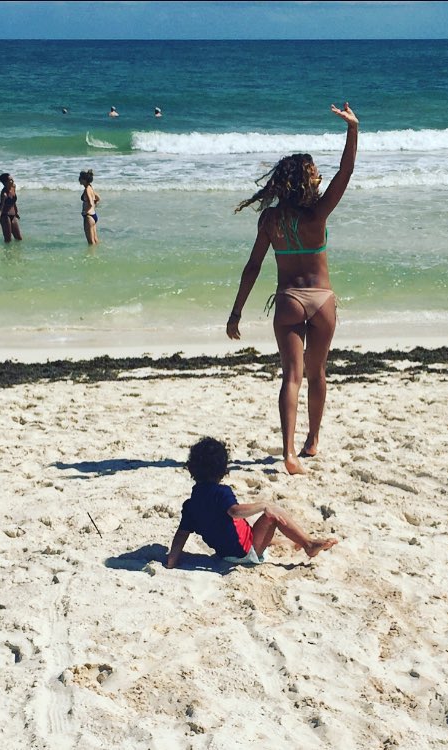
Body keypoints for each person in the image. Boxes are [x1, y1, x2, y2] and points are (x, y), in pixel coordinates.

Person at [226, 103, 358, 475]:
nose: (319, 177)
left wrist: (236, 311)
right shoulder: (318, 214)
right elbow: (346, 171)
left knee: (291, 377)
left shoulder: (270, 219)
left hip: (287, 301)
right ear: (305, 181)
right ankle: (312, 440)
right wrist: (353, 129)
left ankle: (288, 452)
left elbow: (253, 266)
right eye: (314, 173)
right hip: (321, 301)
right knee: (317, 373)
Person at [165, 437, 337, 568]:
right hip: (245, 553)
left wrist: (171, 561)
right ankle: (308, 544)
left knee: (249, 524)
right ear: (223, 470)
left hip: (225, 555)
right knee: (272, 514)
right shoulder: (221, 492)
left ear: (192, 468)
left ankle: (291, 543)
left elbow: (181, 535)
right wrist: (263, 505)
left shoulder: (190, 505)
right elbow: (234, 511)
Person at [0, 173, 22, 242]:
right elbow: (0, 210)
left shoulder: (13, 187)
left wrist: (16, 212)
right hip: (5, 216)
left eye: (12, 179)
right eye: (10, 180)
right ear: (5, 183)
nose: (13, 181)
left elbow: (13, 201)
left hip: (13, 215)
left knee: (19, 238)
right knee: (8, 240)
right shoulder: (4, 194)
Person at [79, 169, 100, 245]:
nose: (79, 179)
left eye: (80, 178)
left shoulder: (87, 189)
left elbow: (91, 203)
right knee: (95, 240)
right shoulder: (90, 187)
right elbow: (98, 198)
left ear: (84, 180)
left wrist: (85, 212)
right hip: (93, 215)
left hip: (88, 217)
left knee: (91, 243)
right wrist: (93, 208)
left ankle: (92, 253)